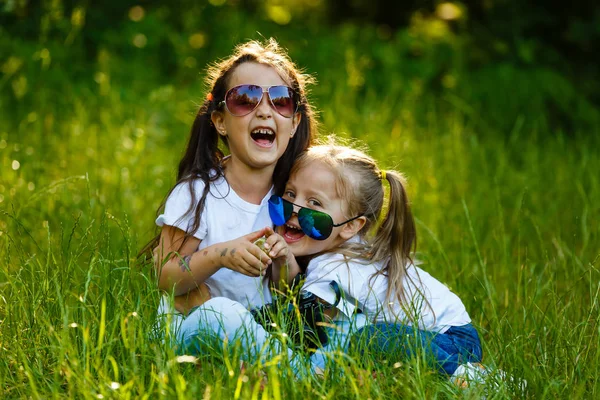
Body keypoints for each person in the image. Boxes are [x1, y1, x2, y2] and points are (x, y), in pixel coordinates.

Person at [149, 38, 318, 344]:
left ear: (293, 123)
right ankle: (297, 370)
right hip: (193, 327)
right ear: (220, 121)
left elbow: (284, 296)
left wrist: (284, 264)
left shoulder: (293, 197)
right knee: (225, 313)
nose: (265, 111)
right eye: (245, 99)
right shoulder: (197, 193)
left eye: (280, 100)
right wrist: (221, 255)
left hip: (260, 331)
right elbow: (165, 277)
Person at [264, 142, 482, 375]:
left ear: (350, 226)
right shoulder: (340, 246)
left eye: (314, 203)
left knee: (369, 340)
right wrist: (283, 261)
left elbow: (305, 327)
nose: (295, 209)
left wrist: (252, 322)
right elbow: (290, 293)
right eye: (290, 194)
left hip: (452, 340)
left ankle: (468, 374)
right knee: (361, 344)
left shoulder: (336, 266)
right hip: (441, 334)